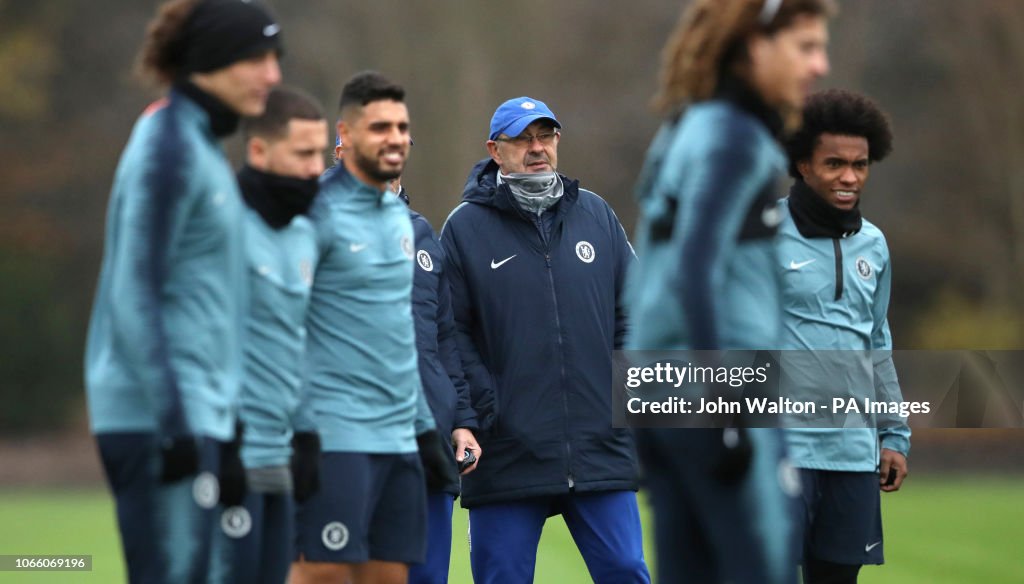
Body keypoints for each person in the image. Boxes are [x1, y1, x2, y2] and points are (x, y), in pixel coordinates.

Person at [625, 0, 833, 582]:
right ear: (753, 48)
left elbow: (653, 276)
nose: (819, 65)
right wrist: (728, 408)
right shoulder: (734, 139)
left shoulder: (684, 126)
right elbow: (695, 267)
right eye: (806, 47)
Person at [84, 0, 282, 581]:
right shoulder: (168, 144)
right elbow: (133, 290)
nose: (272, 74)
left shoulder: (202, 147)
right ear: (211, 60)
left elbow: (208, 305)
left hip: (202, 416)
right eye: (257, 57)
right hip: (161, 420)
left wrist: (233, 418)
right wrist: (173, 421)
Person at [440, 96, 650, 584]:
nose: (537, 148)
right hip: (508, 450)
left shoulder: (595, 215)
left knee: (625, 569)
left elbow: (634, 312)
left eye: (546, 136)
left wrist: (624, 392)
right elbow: (452, 333)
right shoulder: (464, 228)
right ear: (495, 149)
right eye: (523, 139)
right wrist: (483, 409)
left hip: (600, 445)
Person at [290, 71, 455, 584]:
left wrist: (427, 433)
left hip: (400, 439)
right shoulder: (312, 213)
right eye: (380, 126)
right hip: (334, 436)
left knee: (388, 576)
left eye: (402, 127)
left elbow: (399, 337)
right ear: (346, 136)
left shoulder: (399, 221)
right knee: (322, 573)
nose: (395, 138)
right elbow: (278, 328)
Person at [778, 88, 908, 584]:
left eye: (860, 164)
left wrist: (893, 433)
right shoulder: (762, 234)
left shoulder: (874, 244)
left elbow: (877, 342)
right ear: (802, 164)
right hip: (781, 447)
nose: (849, 177)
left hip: (854, 454)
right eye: (834, 163)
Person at [204, 86, 327, 584]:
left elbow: (294, 340)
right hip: (229, 455)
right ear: (258, 150)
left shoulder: (301, 234)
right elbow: (204, 342)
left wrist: (307, 431)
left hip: (280, 455)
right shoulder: (222, 227)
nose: (316, 168)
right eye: (303, 153)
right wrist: (225, 442)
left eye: (320, 153)